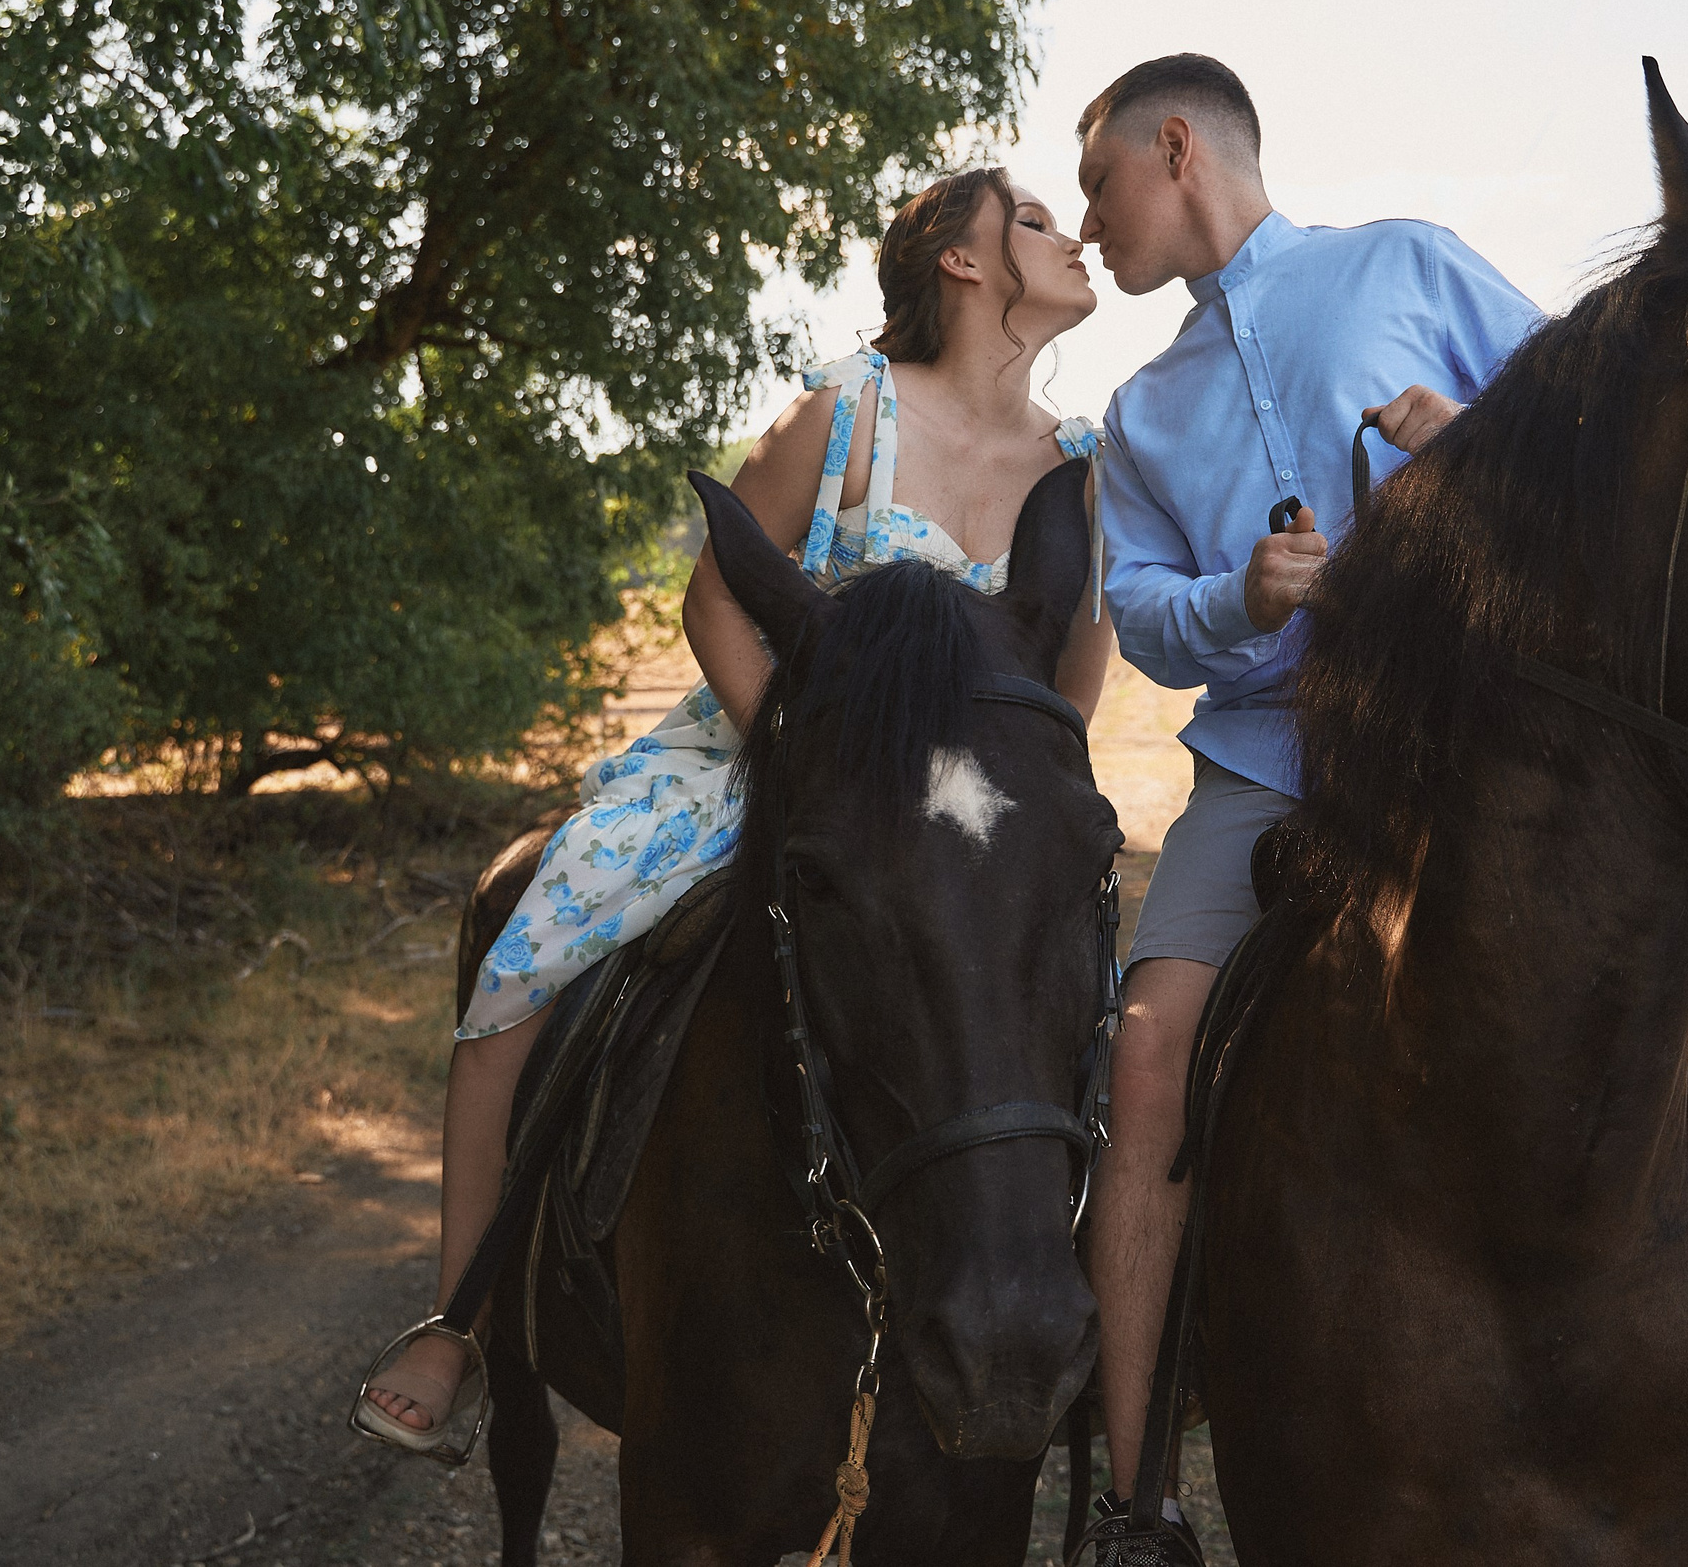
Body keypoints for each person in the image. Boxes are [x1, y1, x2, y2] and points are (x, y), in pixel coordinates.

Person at [1068, 54, 1688, 1563]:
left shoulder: (1406, 266)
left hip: (1489, 735)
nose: (1090, 221)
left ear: (1177, 147)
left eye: (1099, 182)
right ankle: (1137, 1500)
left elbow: (1616, 444)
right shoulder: (1139, 412)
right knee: (1148, 1054)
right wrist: (1232, 596)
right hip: (1270, 762)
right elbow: (1135, 612)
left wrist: (1462, 435)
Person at [351, 167, 1115, 1455]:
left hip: (958, 809)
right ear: (963, 265)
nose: (1070, 232)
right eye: (1034, 219)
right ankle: (459, 1323)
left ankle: (1090, 1330)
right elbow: (713, 601)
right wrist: (796, 751)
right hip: (764, 758)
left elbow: (1069, 669)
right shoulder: (848, 416)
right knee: (524, 972)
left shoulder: (1079, 465)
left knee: (1079, 1013)